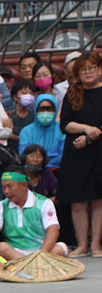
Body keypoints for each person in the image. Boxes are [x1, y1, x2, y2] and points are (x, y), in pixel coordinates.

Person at [58, 52, 102, 257]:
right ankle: (82, 244)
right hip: (77, 151)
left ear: (99, 69)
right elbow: (65, 124)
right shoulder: (73, 93)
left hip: (98, 149)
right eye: (83, 69)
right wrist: (86, 129)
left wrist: (91, 137)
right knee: (78, 201)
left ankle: (96, 245)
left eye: (92, 67)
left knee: (98, 200)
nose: (88, 72)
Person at [0, 167, 68, 259]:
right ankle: (32, 266)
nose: (6, 191)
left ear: (24, 185)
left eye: (10, 186)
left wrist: (40, 254)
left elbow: (53, 230)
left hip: (42, 251)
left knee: (60, 248)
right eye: (3, 187)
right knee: (1, 247)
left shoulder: (43, 203)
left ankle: (29, 266)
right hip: (15, 253)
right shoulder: (1, 206)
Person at [18, 94, 65, 169]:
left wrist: (46, 166)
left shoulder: (62, 130)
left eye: (49, 109)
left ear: (55, 110)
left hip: (56, 170)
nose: (45, 112)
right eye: (42, 109)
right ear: (36, 110)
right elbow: (23, 154)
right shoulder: (26, 131)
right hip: (31, 170)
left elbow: (63, 155)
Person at [8, 79, 36, 152]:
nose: (28, 96)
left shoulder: (33, 116)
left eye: (31, 93)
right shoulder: (9, 114)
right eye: (24, 93)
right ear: (15, 97)